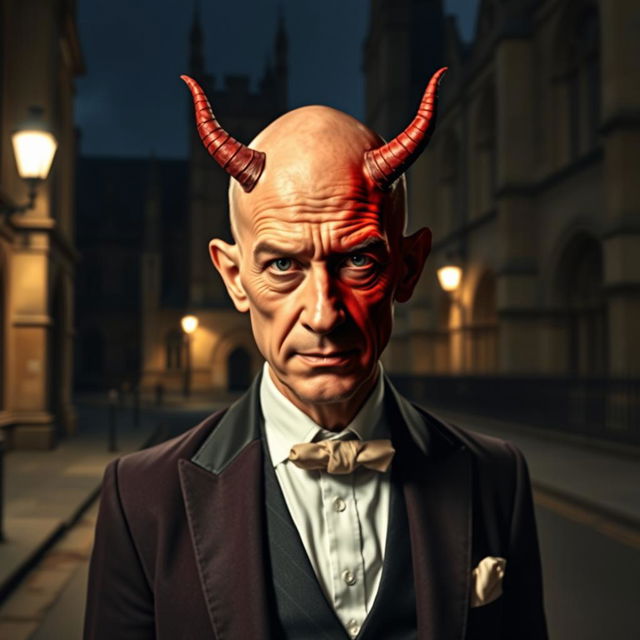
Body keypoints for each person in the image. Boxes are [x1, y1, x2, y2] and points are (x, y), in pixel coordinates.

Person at [84, 67, 548, 640]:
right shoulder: (140, 500)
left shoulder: (496, 478)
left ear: (408, 268)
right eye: (283, 265)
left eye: (359, 262)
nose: (324, 314)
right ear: (233, 276)